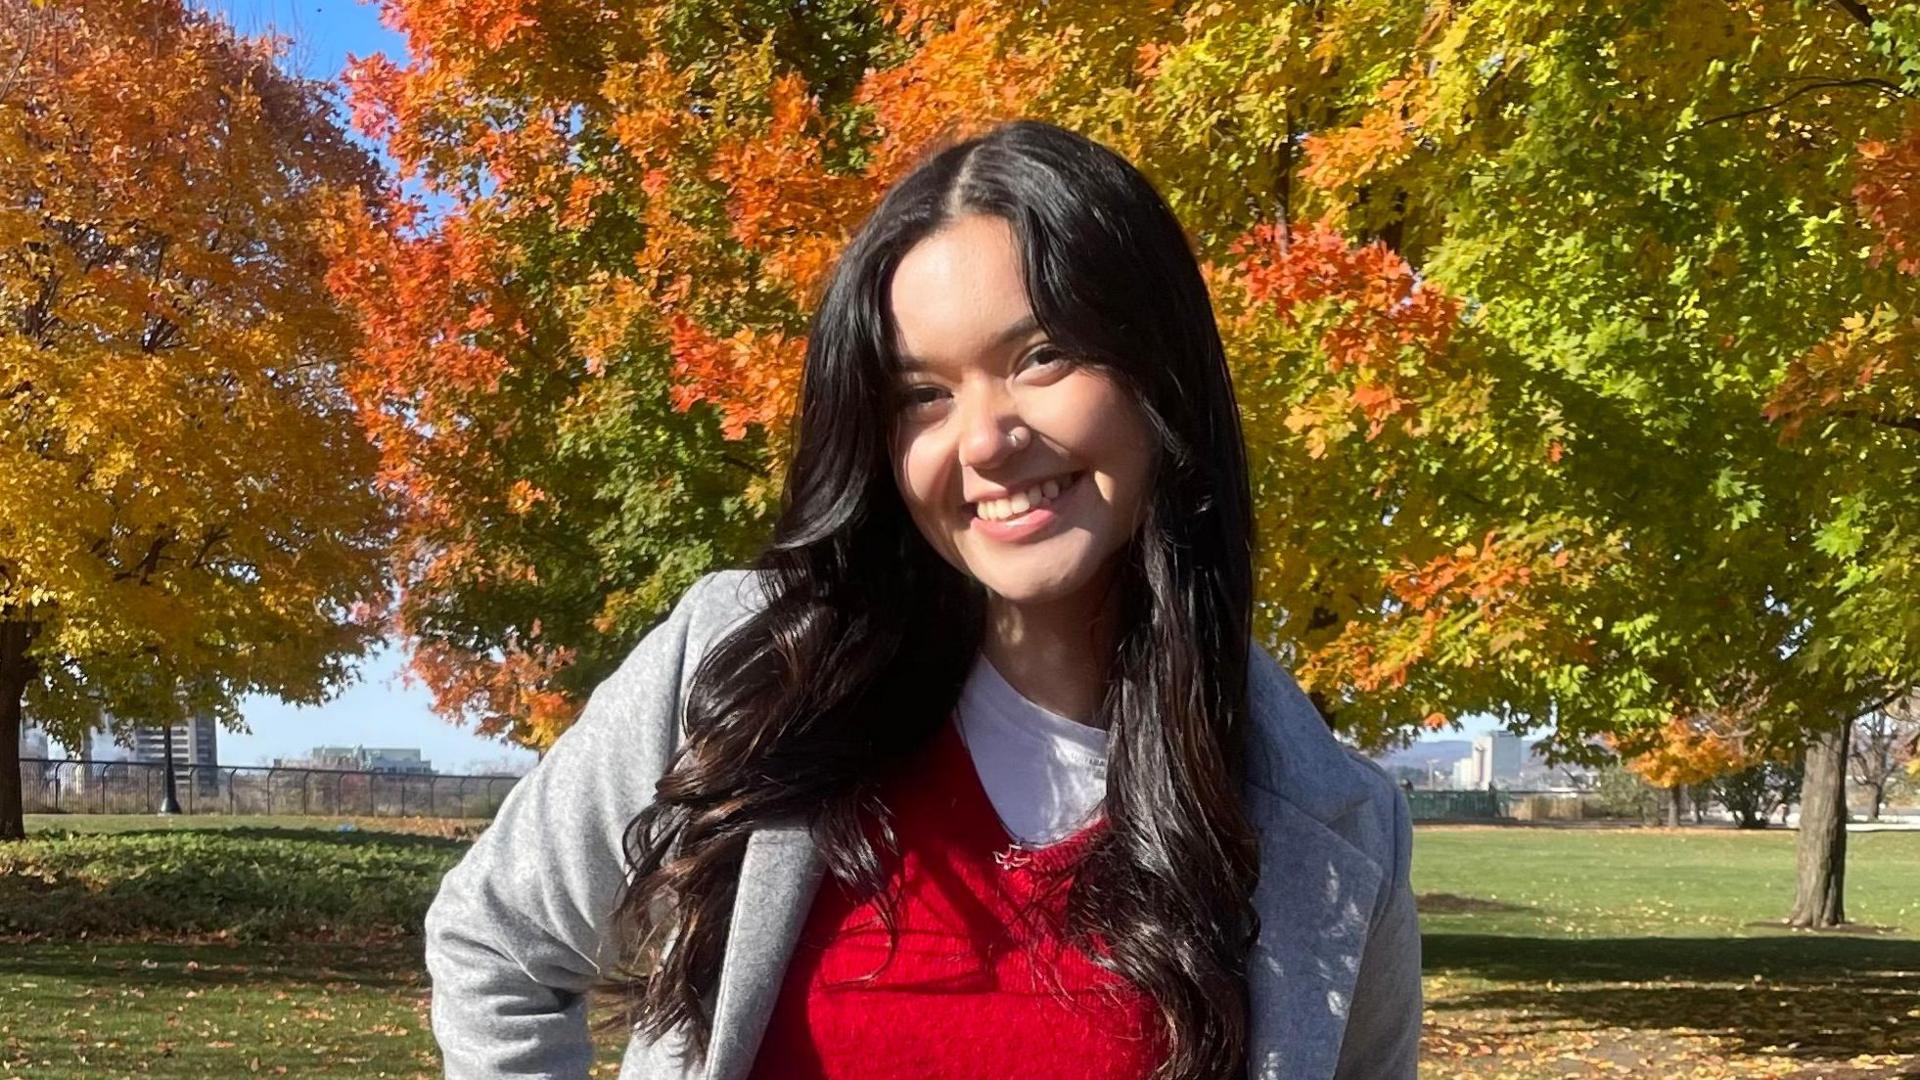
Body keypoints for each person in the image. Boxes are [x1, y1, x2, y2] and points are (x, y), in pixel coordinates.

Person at [424, 119, 1421, 1080]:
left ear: (1160, 374)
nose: (984, 439)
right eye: (924, 396)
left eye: (1039, 356)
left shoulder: (1329, 824)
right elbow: (495, 942)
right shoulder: (746, 670)